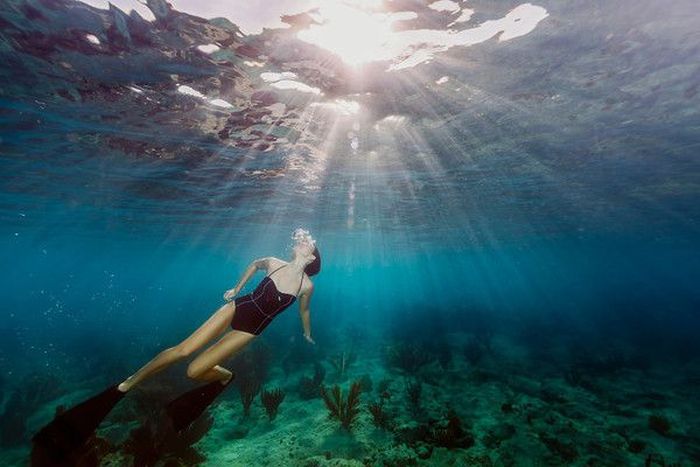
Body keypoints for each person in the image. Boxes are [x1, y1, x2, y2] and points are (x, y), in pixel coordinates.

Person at [32, 228, 321, 464]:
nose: (301, 242)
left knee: (195, 372)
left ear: (311, 257)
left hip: (252, 330)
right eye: (302, 240)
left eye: (307, 243)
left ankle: (225, 376)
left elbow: (304, 312)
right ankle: (127, 384)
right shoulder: (273, 262)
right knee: (182, 350)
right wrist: (236, 288)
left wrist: (307, 333)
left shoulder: (306, 286)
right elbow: (255, 264)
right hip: (238, 307)